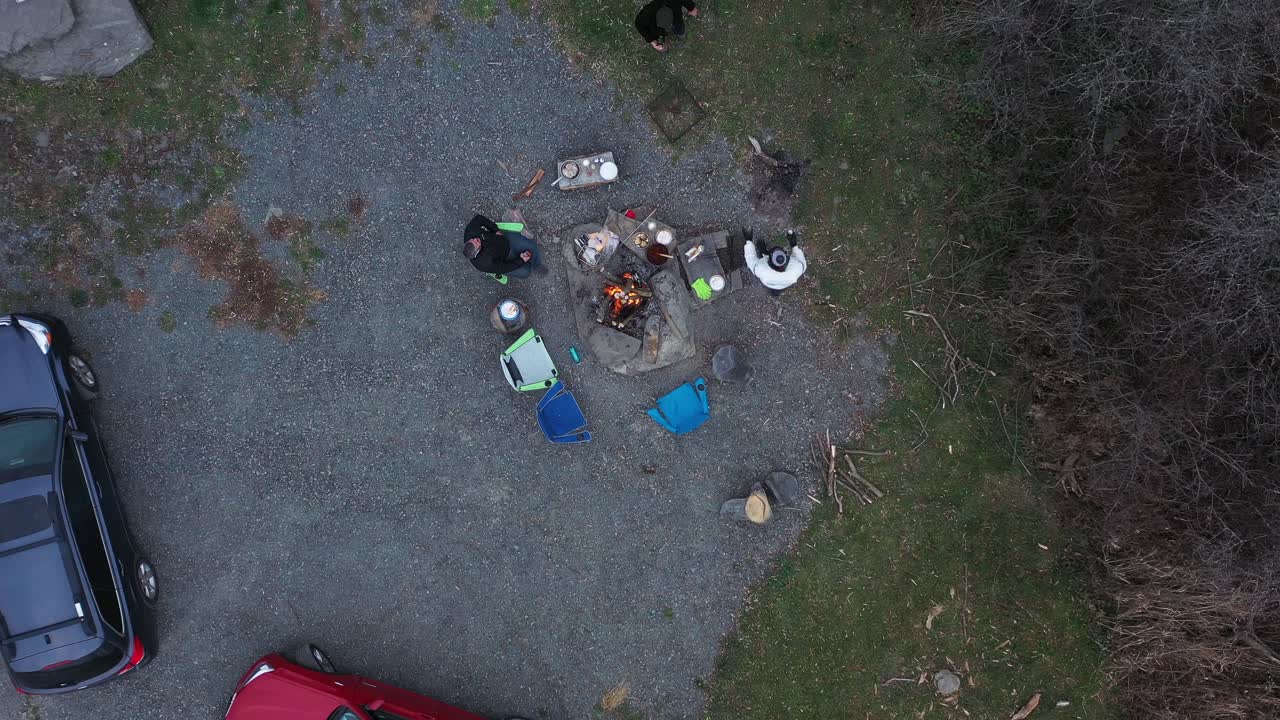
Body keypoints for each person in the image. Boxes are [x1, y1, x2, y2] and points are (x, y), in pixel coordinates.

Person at [462, 214, 545, 279]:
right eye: (477, 242)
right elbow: (504, 267)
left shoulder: (470, 232)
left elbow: (478, 218)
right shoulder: (485, 264)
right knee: (526, 272)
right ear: (478, 251)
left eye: (472, 239)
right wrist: (521, 260)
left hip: (505, 240)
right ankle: (525, 262)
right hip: (504, 259)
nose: (475, 238)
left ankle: (537, 265)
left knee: (532, 246)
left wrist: (496, 230)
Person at [744, 229, 807, 296]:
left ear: (769, 261)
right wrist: (794, 245)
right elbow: (802, 262)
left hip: (768, 283)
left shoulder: (761, 269)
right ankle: (777, 292)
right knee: (779, 289)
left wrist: (749, 241)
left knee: (764, 254)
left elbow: (750, 259)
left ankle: (763, 251)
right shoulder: (797, 268)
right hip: (785, 284)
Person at [635, 0, 699, 53]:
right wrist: (652, 41)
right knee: (661, 45)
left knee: (679, 29)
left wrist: (691, 8)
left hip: (675, 17)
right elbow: (638, 24)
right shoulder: (648, 14)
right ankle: (664, 47)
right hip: (656, 28)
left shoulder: (674, 3)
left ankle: (680, 33)